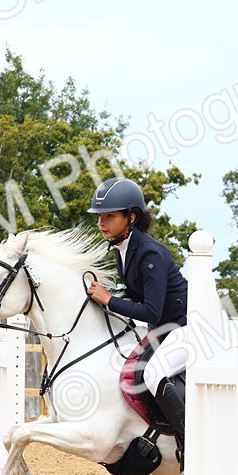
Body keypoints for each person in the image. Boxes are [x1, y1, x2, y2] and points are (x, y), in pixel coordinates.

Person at [84, 178, 189, 454]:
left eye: (109, 216)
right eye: (100, 217)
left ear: (131, 217)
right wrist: (111, 295)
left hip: (189, 326)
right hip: (165, 326)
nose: (101, 223)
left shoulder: (148, 252)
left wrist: (110, 300)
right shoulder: (124, 248)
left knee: (153, 374)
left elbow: (150, 310)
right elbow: (138, 295)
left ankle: (189, 444)